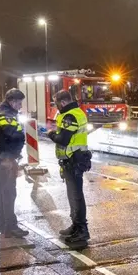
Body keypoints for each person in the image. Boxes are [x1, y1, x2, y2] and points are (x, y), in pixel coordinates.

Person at [47, 90, 92, 245]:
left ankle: (82, 230)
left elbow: (63, 140)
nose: (57, 107)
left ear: (63, 102)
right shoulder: (76, 113)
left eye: (57, 103)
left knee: (76, 196)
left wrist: (51, 134)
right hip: (74, 160)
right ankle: (75, 226)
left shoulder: (70, 116)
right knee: (74, 196)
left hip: (74, 161)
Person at [0, 88, 29, 238]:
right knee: (9, 193)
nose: (20, 106)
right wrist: (16, 152)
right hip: (6, 158)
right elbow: (14, 136)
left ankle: (4, 226)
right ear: (11, 101)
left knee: (2, 192)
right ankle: (10, 227)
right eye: (18, 102)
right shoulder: (7, 114)